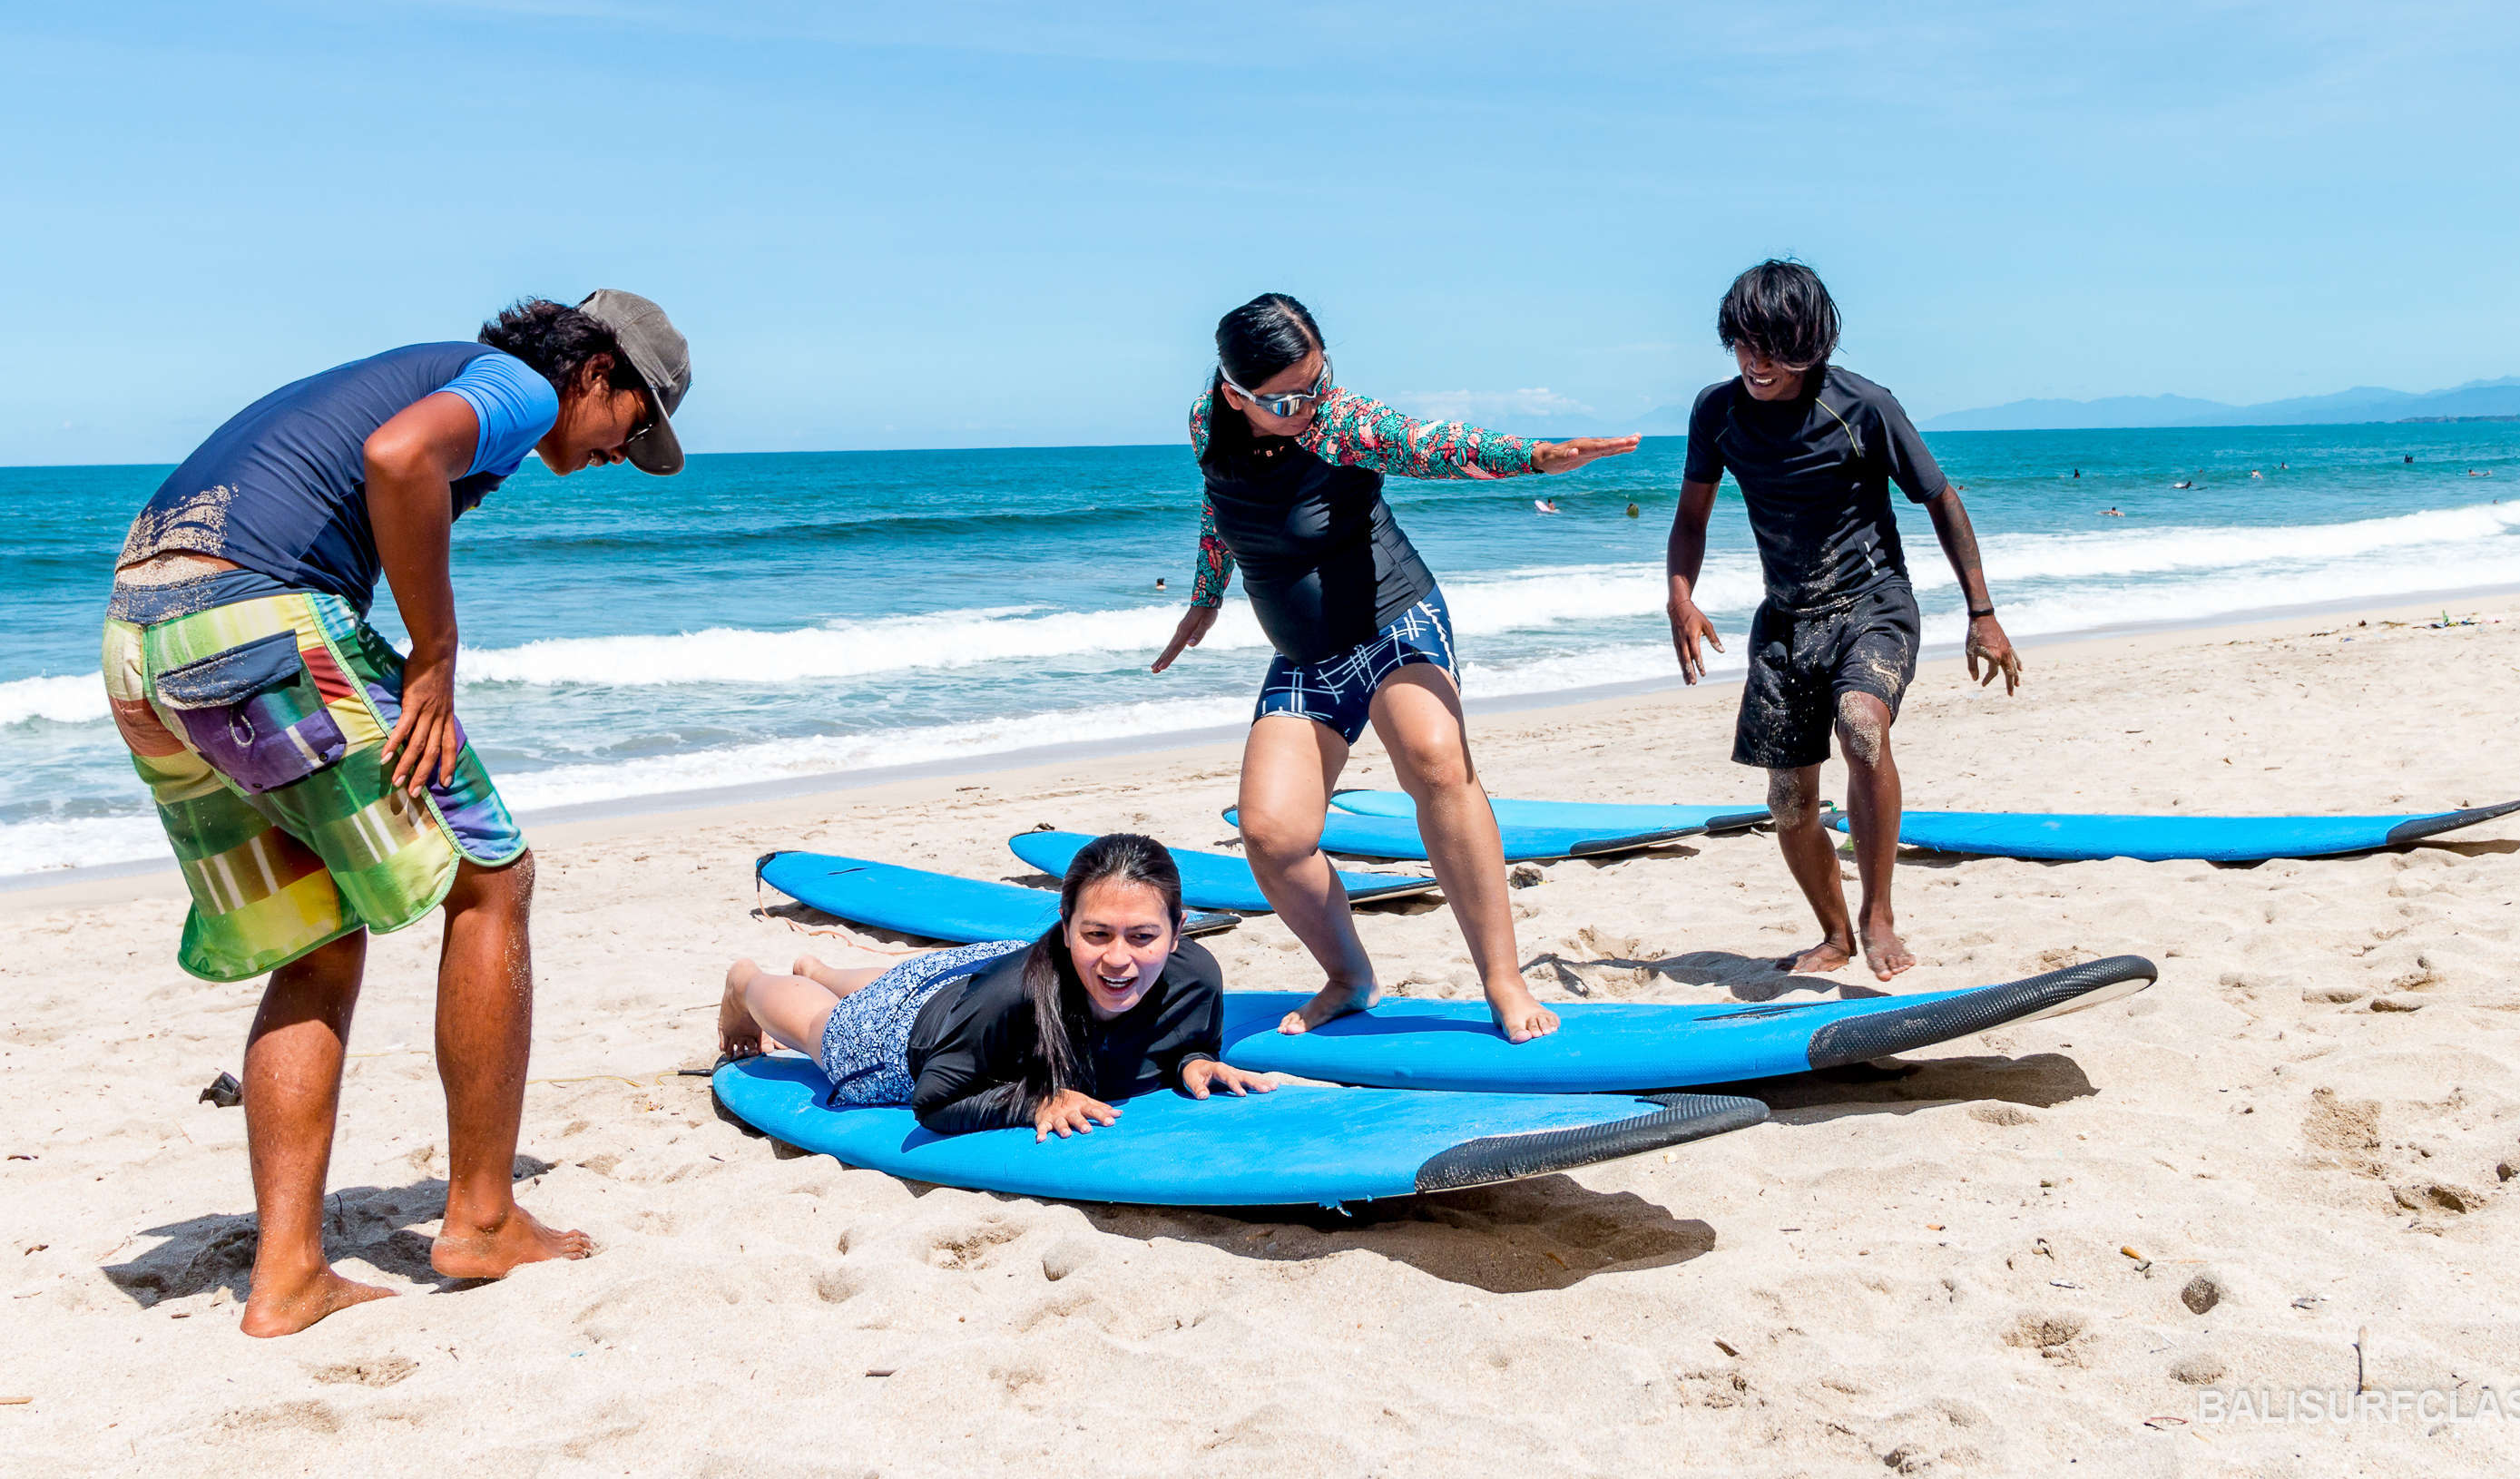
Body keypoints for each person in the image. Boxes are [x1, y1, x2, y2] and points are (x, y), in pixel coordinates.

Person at [99, 292, 692, 1337]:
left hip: (142, 646)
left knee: (319, 932)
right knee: (492, 877)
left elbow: (375, 472)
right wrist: (433, 656)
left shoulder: (428, 372)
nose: (620, 453)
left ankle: (285, 1277)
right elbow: (399, 456)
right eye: (634, 423)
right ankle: (481, 1216)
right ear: (595, 372)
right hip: (256, 621)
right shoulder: (512, 385)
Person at [1151, 294, 1638, 1041]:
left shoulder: (1343, 421)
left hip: (1394, 624)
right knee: (1272, 835)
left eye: (1319, 380)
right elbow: (1221, 509)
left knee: (1436, 762)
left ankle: (1503, 983)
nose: (1310, 405)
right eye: (1285, 399)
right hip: (1307, 657)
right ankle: (1349, 978)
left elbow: (1434, 445)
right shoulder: (1203, 426)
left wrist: (1535, 458)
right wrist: (1205, 597)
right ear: (1232, 396)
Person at [1664, 260, 2019, 982]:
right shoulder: (1717, 411)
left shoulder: (1863, 406)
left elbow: (1941, 501)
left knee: (1862, 725)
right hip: (1787, 619)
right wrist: (1680, 594)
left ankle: (1877, 914)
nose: (1756, 363)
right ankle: (1834, 934)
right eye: (1743, 345)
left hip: (1873, 603)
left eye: (1773, 347)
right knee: (1789, 801)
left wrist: (1982, 612)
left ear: (1811, 342)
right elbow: (1691, 517)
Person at [719, 834, 1275, 1136]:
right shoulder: (1014, 996)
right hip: (903, 1039)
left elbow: (1183, 1040)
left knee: (911, 978)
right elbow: (933, 1102)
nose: (1119, 959)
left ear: (1179, 933)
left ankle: (820, 969)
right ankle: (748, 982)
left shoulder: (1196, 978)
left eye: (1143, 936)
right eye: (1097, 933)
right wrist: (1036, 1100)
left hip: (971, 980)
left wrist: (1192, 1062)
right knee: (828, 1027)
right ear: (1064, 924)